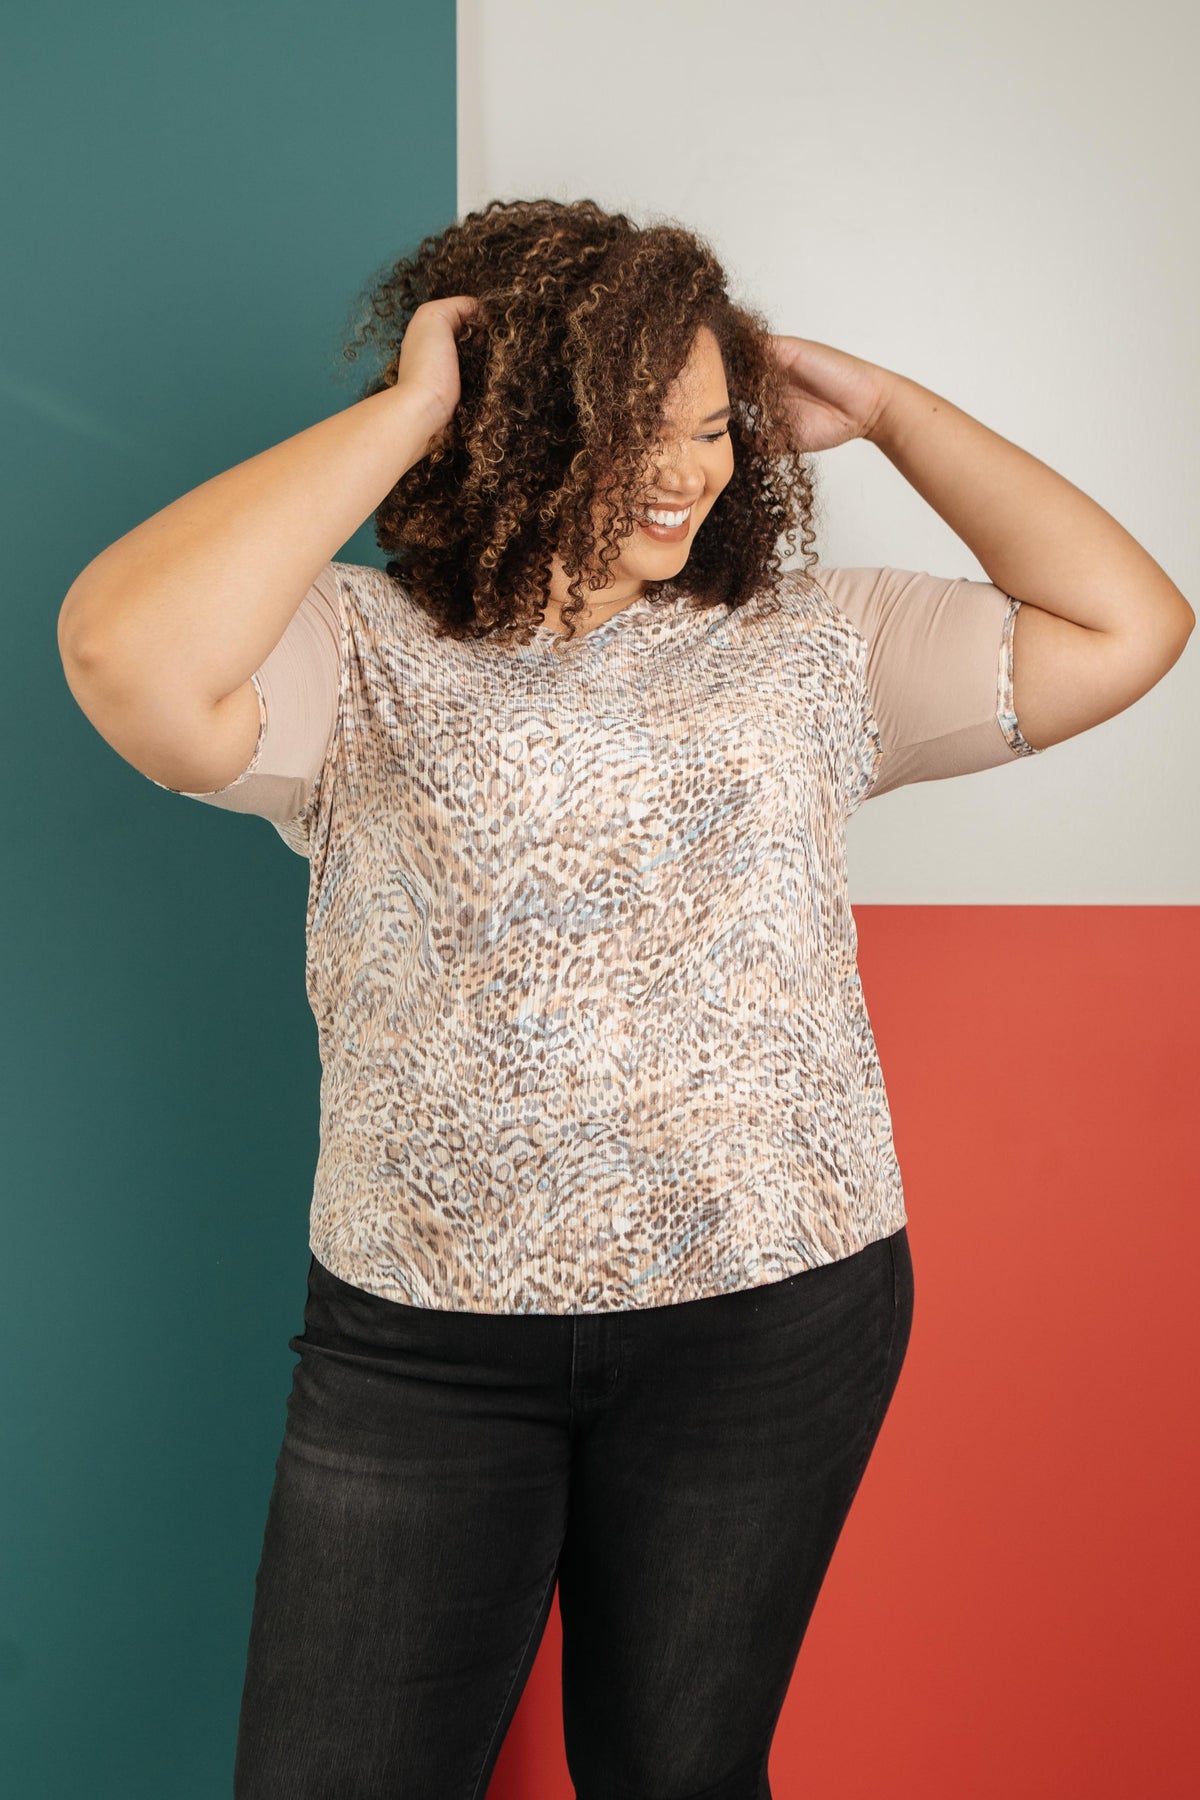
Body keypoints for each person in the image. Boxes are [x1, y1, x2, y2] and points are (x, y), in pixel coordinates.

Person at [57, 198, 1193, 1800]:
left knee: (678, 1774)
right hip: (423, 1342)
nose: (687, 472)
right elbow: (121, 652)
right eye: (633, 429)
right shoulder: (356, 652)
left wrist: (894, 411)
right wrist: (412, 411)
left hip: (771, 1313)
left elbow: (1129, 623)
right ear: (514, 425)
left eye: (713, 428)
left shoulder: (814, 643)